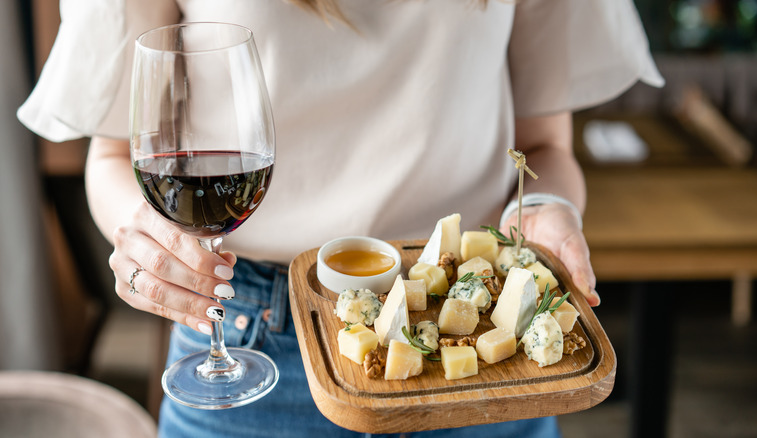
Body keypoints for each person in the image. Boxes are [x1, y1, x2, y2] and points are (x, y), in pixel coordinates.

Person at [19, 0, 663, 436]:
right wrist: (144, 239)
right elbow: (111, 154)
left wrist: (546, 213)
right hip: (251, 345)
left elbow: (543, 147)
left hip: (481, 354)